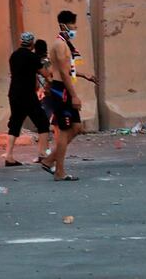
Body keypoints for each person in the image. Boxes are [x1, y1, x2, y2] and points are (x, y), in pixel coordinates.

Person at [39, 10, 96, 181]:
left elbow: (65, 70)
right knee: (64, 132)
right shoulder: (61, 45)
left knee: (77, 127)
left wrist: (84, 75)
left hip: (62, 88)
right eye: (73, 24)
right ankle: (59, 171)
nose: (75, 27)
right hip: (61, 90)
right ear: (64, 25)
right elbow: (63, 74)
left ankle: (49, 160)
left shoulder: (63, 44)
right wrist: (74, 96)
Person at [5, 32, 50, 166]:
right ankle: (42, 154)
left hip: (14, 93)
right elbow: (46, 74)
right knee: (42, 122)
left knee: (15, 123)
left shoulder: (13, 56)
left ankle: (8, 156)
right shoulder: (33, 57)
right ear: (32, 43)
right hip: (27, 94)